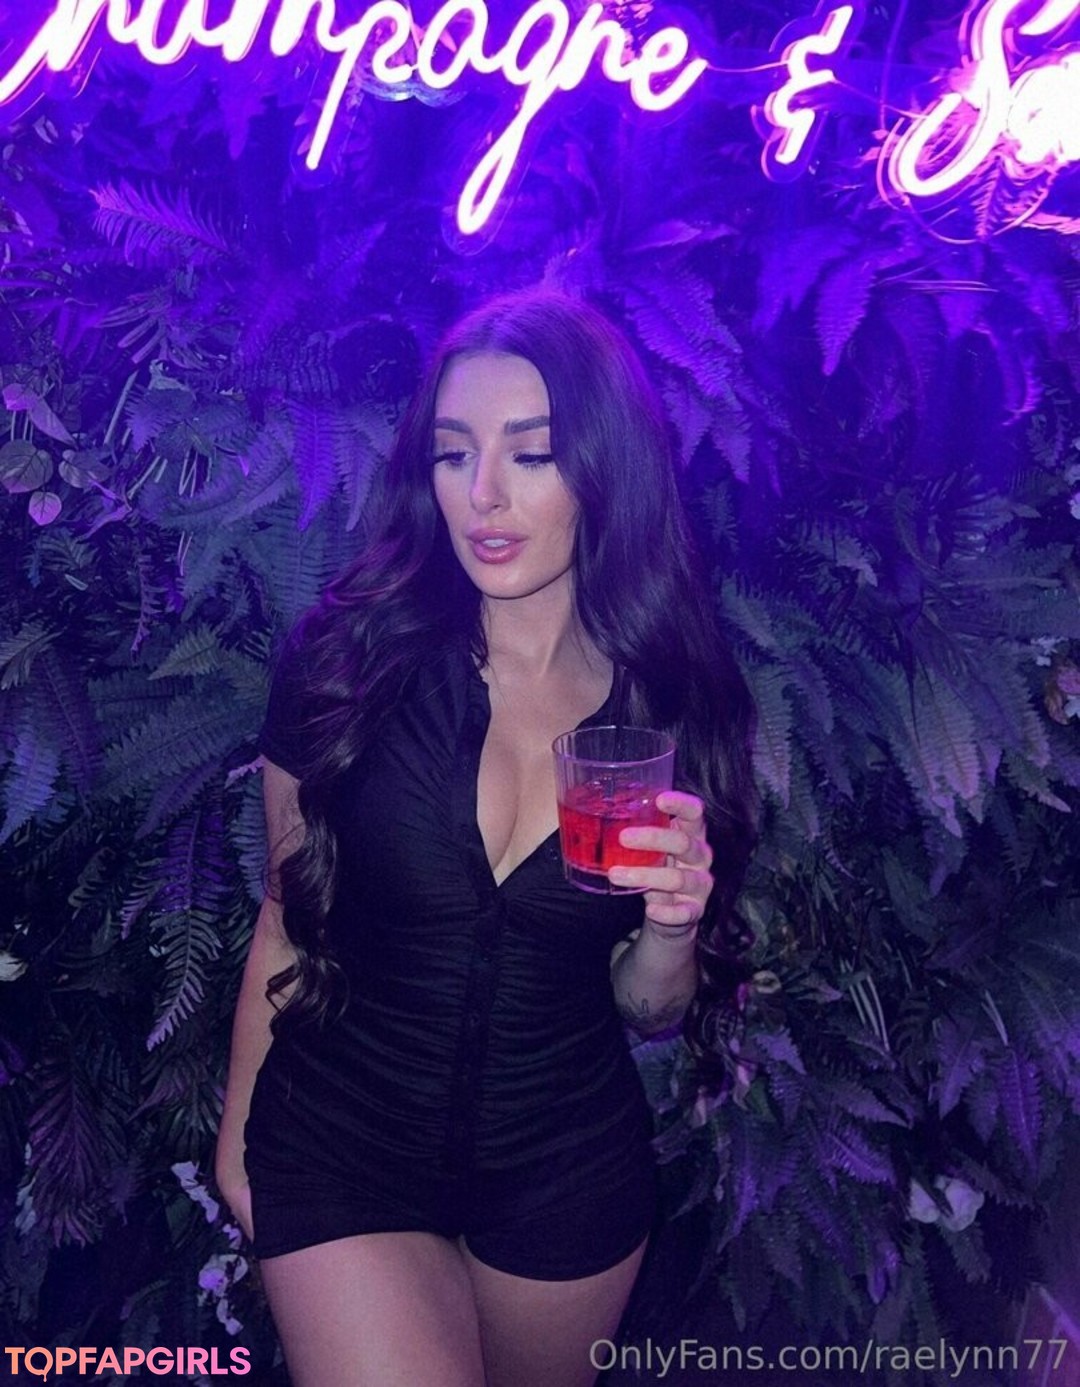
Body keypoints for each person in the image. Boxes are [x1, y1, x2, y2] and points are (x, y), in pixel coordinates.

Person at [214, 288, 757, 1387]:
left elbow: (649, 1009)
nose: (484, 495)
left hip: (564, 1176)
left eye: (532, 453)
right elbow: (286, 911)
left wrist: (671, 928)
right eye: (454, 453)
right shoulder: (350, 662)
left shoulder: (672, 703)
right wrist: (237, 1143)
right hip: (345, 1139)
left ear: (605, 469)